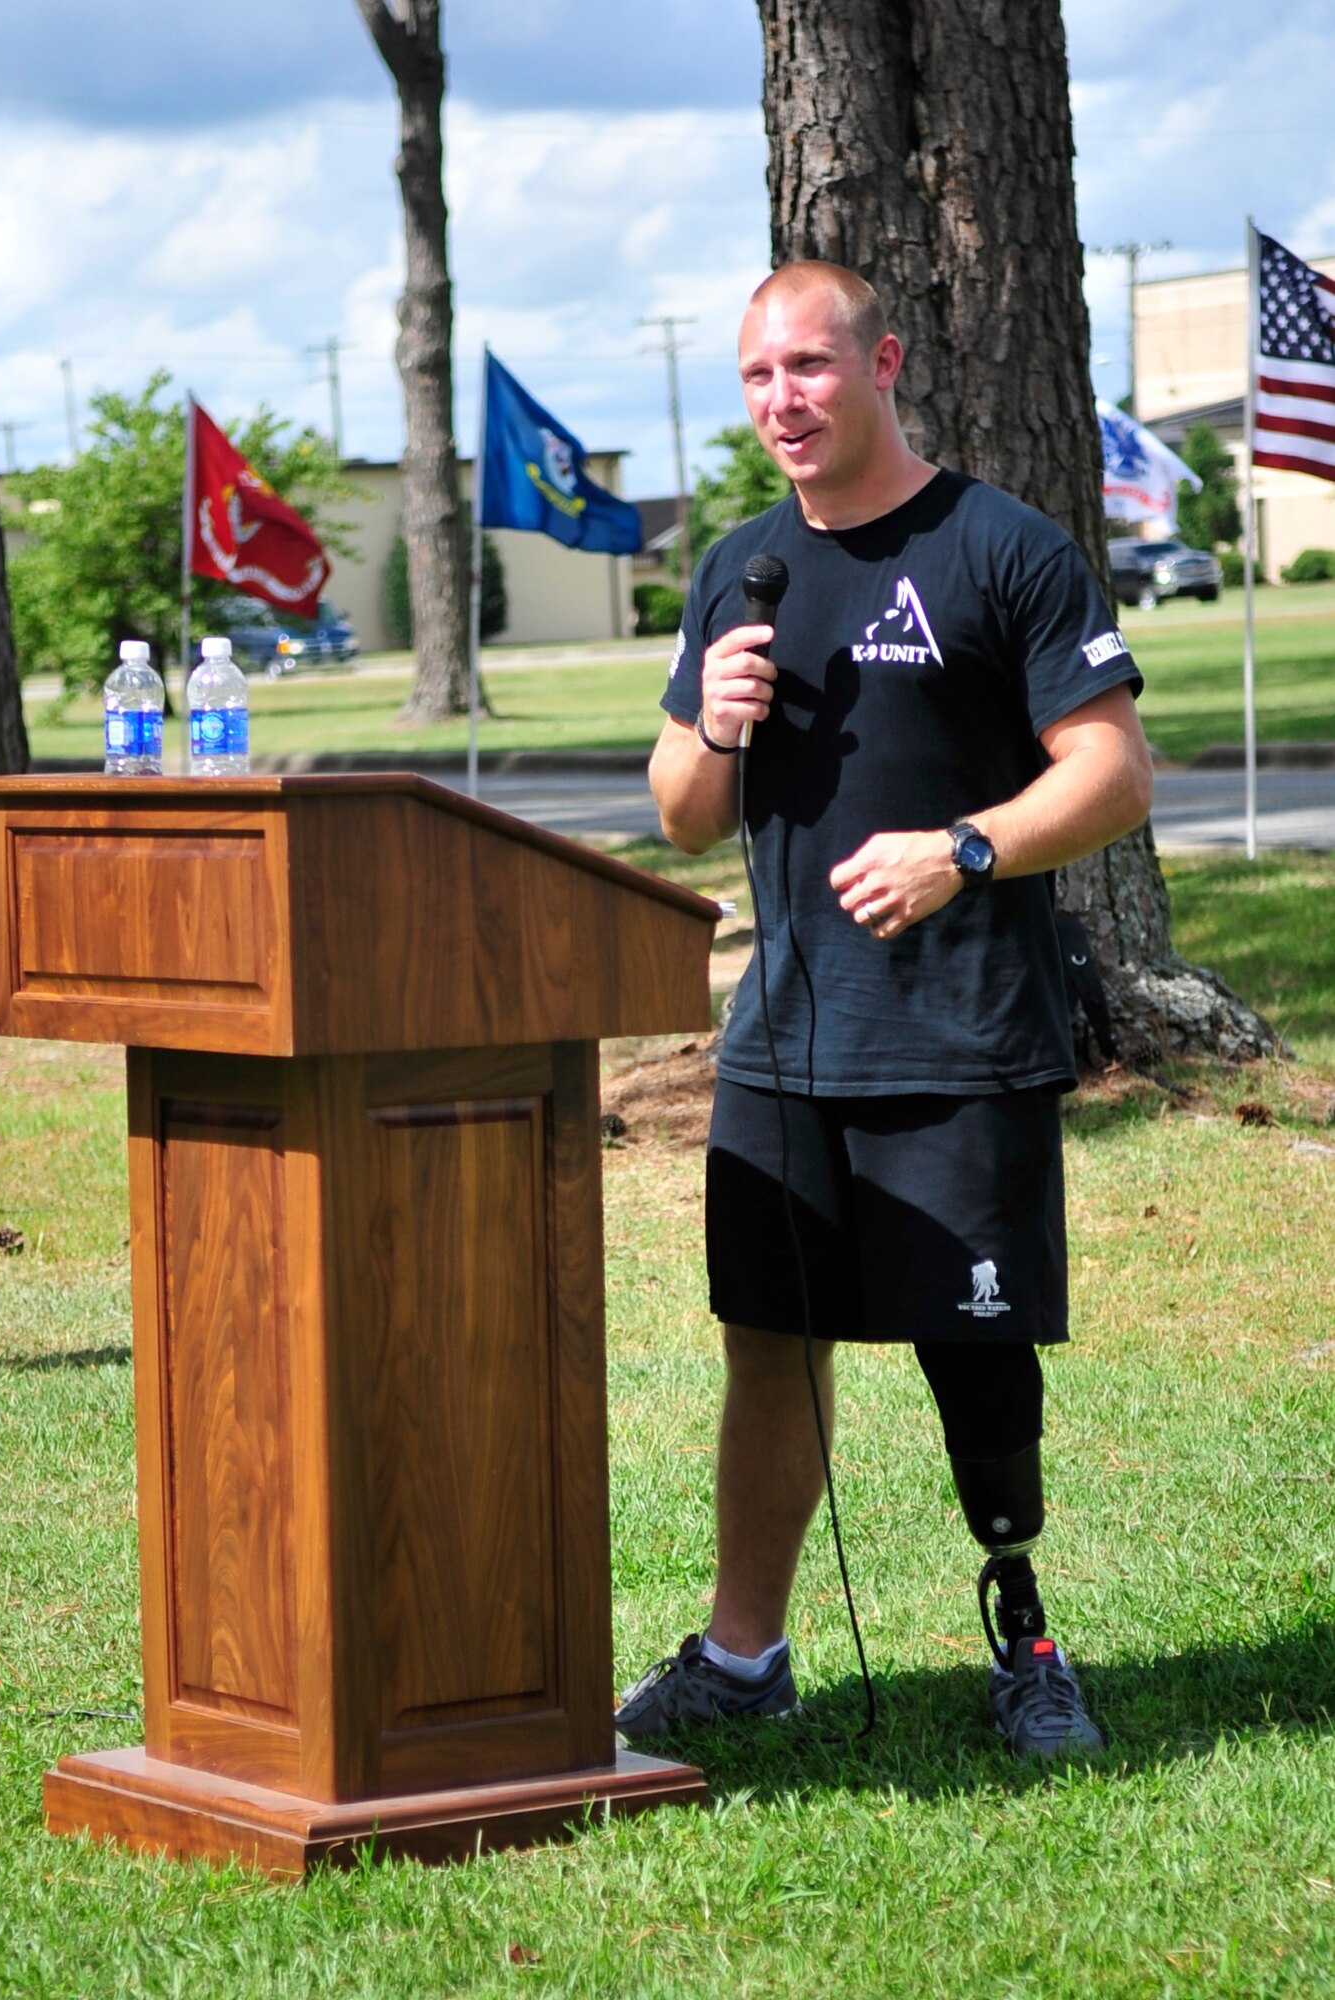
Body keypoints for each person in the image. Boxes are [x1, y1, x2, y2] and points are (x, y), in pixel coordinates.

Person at [616, 261, 1153, 1759]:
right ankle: (741, 1655)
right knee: (765, 1343)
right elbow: (674, 814)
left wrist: (964, 848)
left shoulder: (1002, 548)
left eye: (808, 368)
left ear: (883, 364)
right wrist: (711, 725)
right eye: (755, 378)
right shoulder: (734, 569)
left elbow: (1108, 772)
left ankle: (1026, 1638)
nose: (781, 401)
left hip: (962, 1037)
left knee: (974, 1351)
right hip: (783, 1042)